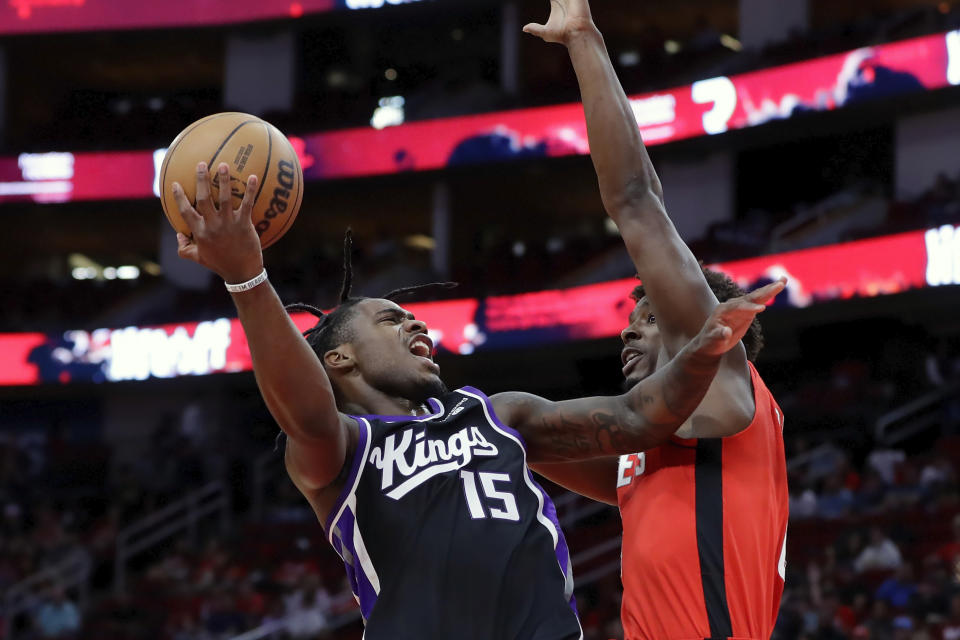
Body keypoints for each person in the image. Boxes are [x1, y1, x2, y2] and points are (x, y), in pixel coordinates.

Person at [170, 162, 783, 639]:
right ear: (339, 360)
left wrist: (701, 352)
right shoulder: (343, 450)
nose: (416, 326)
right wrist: (248, 278)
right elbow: (304, 411)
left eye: (414, 319)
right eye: (390, 320)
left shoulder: (497, 414)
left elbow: (634, 419)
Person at [524, 2, 790, 639]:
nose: (627, 330)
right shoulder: (655, 450)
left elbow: (635, 201)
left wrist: (584, 42)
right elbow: (535, 441)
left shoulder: (723, 379)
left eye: (647, 317)